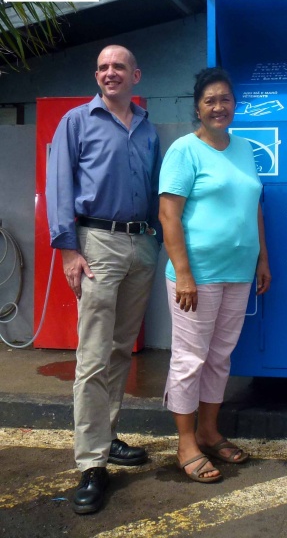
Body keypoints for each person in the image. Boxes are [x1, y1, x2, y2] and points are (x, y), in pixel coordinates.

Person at [46, 45, 162, 514]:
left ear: (136, 75)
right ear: (97, 76)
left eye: (118, 67)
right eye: (102, 67)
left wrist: (157, 243)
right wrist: (68, 249)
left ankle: (107, 435)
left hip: (141, 244)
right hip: (96, 244)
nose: (109, 73)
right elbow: (60, 185)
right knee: (93, 355)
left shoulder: (148, 128)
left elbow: (154, 190)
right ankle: (92, 463)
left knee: (119, 350)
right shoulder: (77, 121)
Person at [158, 67, 271, 483]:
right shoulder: (184, 151)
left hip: (238, 272)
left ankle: (208, 431)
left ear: (234, 105)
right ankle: (186, 442)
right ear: (198, 108)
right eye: (210, 100)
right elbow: (168, 215)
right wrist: (184, 274)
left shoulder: (244, 148)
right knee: (190, 358)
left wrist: (262, 259)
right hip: (197, 275)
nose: (219, 107)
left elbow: (253, 208)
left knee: (220, 357)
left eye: (225, 99)